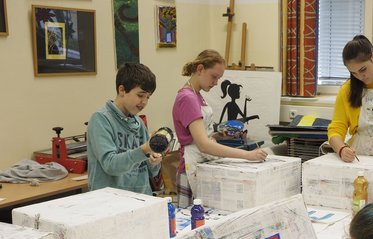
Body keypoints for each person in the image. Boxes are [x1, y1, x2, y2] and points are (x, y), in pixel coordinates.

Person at [172, 49, 267, 207]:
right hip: (190, 169)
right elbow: (203, 145)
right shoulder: (187, 98)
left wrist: (217, 136)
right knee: (191, 220)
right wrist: (247, 155)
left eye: (218, 78)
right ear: (200, 69)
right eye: (214, 77)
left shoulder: (197, 95)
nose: (216, 83)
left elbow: (199, 137)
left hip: (201, 162)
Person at [87, 63, 162, 195]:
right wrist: (144, 149)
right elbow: (110, 165)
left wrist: (154, 160)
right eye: (140, 95)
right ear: (122, 90)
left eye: (148, 97)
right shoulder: (101, 119)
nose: (144, 102)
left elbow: (151, 172)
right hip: (110, 202)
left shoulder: (139, 123)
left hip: (141, 198)